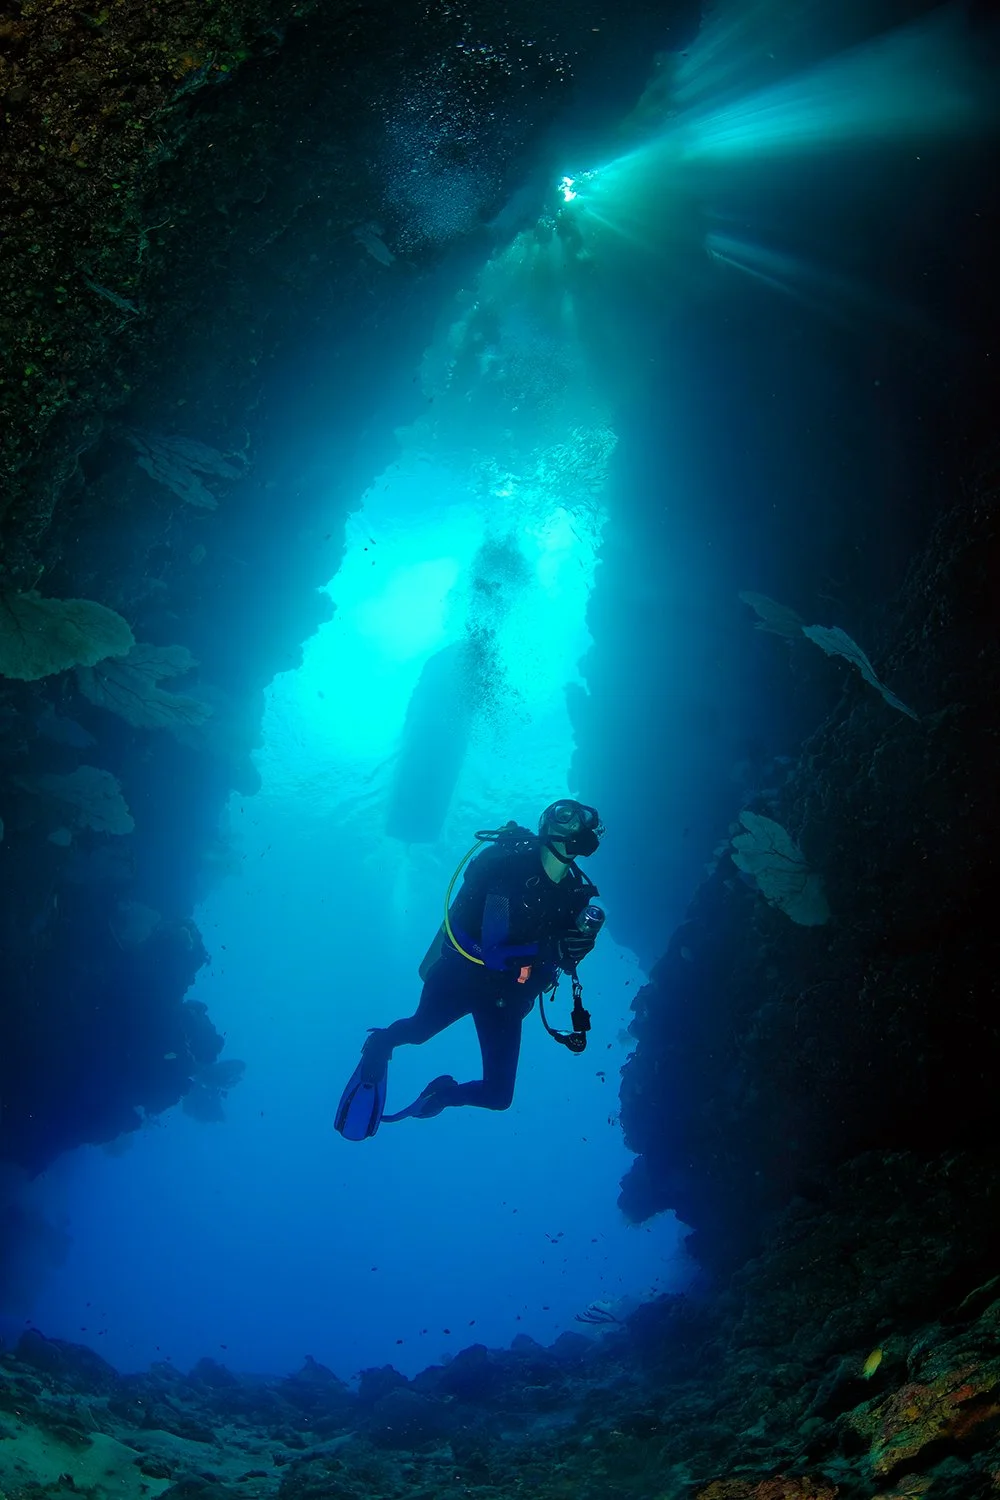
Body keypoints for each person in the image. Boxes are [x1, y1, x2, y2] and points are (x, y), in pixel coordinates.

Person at [335, 799, 604, 1138]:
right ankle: (380, 1043)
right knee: (418, 1032)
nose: (577, 824)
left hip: (508, 996)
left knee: (499, 1095)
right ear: (545, 826)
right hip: (463, 975)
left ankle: (442, 1095)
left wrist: (579, 947)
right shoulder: (509, 869)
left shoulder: (576, 895)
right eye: (565, 816)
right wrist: (553, 948)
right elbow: (493, 950)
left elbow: (564, 958)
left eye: (585, 819)